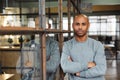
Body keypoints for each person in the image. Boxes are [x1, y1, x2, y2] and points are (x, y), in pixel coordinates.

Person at [61, 14, 107, 80]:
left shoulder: (97, 45)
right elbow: (65, 67)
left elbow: (101, 69)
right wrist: (87, 65)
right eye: (77, 24)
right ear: (72, 25)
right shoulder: (67, 46)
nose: (80, 27)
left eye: (83, 24)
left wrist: (78, 73)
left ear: (88, 25)